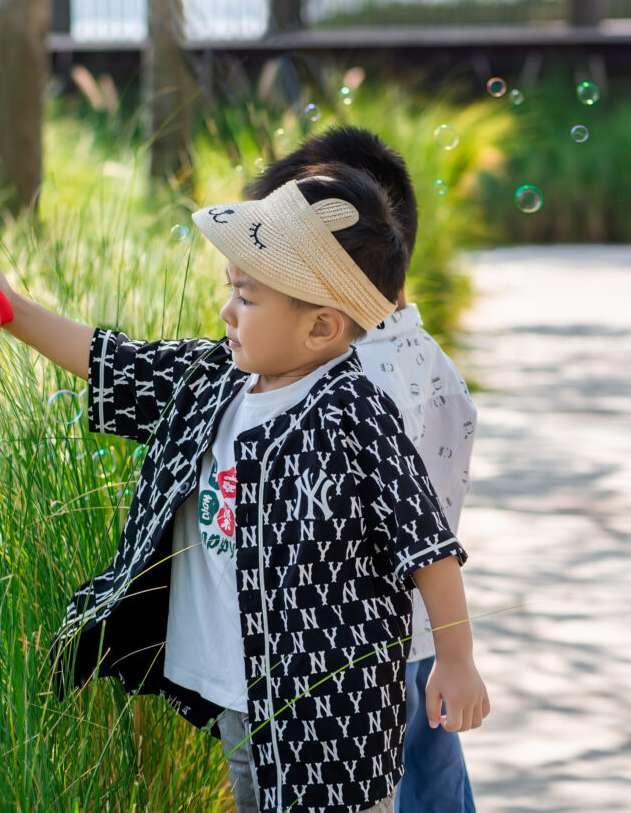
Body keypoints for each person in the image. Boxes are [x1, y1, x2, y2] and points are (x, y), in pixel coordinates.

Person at [0, 167, 488, 813]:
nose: (227, 311)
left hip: (331, 715)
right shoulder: (214, 381)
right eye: (231, 289)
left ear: (320, 329)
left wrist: (455, 657)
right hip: (239, 687)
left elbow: (426, 542)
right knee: (251, 797)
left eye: (247, 298)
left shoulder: (353, 414)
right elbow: (115, 362)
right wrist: (11, 310)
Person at [250, 128, 480, 813]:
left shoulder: (339, 379)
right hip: (415, 640)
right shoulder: (434, 364)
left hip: (348, 660)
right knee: (433, 789)